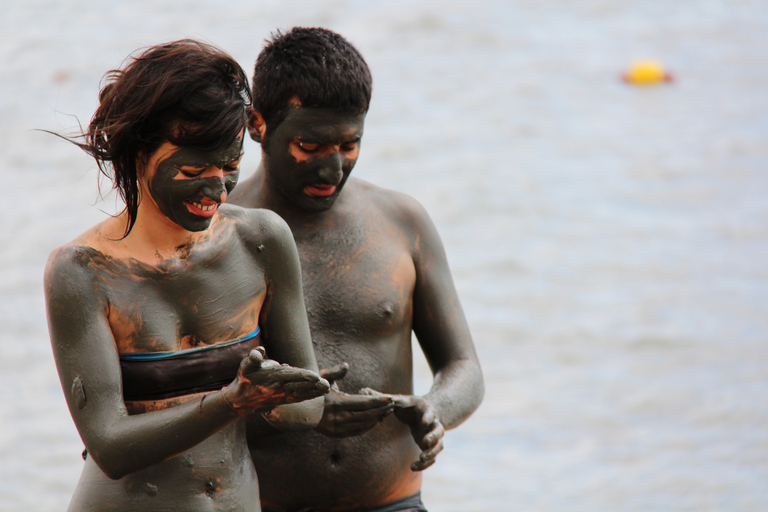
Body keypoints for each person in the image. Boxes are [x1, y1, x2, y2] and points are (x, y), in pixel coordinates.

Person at [44, 39, 329, 512]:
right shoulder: (82, 270)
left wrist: (290, 393)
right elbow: (110, 446)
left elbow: (305, 410)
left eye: (231, 166)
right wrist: (232, 401)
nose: (216, 188)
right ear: (140, 150)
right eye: (195, 168)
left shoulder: (261, 240)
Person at [229, 27, 484, 512]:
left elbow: (464, 367)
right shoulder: (219, 233)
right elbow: (182, 399)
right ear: (256, 124)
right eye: (310, 145)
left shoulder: (401, 222)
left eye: (349, 145)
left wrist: (435, 408)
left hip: (392, 501)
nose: (332, 169)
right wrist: (297, 412)